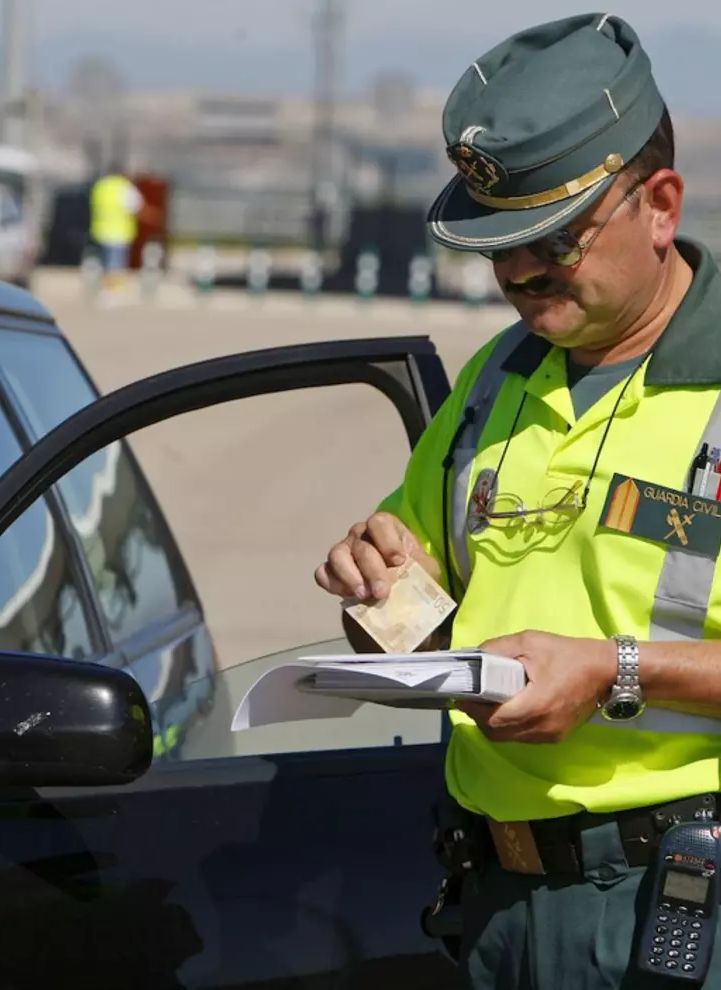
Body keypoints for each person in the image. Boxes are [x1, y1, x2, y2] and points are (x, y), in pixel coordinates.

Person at [315, 13, 721, 989]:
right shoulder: (497, 379)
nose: (516, 273)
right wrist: (375, 586)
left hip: (674, 908)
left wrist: (613, 670)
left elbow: (607, 650)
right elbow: (428, 606)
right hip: (495, 904)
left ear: (657, 205)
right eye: (495, 247)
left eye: (551, 240)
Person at [88, 163, 145, 296]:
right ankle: (113, 290)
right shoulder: (124, 187)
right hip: (119, 231)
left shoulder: (101, 186)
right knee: (116, 262)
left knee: (105, 261)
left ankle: (104, 286)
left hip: (101, 230)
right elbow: (136, 206)